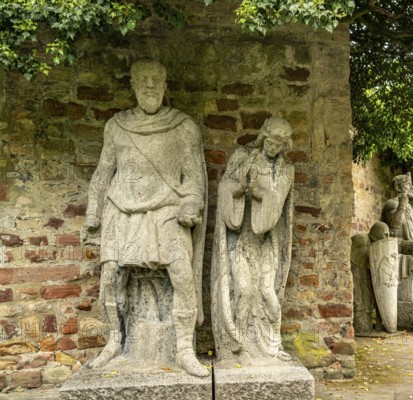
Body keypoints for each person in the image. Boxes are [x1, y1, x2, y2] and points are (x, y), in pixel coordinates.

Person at [82, 59, 209, 376]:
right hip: (121, 209)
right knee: (110, 277)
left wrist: (191, 203)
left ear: (165, 86)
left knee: (182, 274)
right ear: (134, 86)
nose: (150, 85)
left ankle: (184, 348)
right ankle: (114, 341)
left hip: (167, 209)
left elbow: (194, 179)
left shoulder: (183, 127)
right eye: (143, 80)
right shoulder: (116, 126)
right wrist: (92, 213)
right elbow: (102, 173)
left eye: (156, 80)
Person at [211, 117, 294, 365]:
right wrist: (239, 188)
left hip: (266, 242)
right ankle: (237, 347)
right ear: (262, 137)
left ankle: (272, 344)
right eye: (270, 141)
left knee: (268, 293)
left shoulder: (286, 169)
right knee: (244, 291)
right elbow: (225, 188)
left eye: (279, 144)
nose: (273, 147)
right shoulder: (242, 156)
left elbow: (276, 202)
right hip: (241, 240)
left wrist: (258, 192)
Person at [351, 222, 389, 333]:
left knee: (367, 301)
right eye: (385, 234)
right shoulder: (362, 241)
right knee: (361, 302)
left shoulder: (374, 243)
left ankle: (367, 325)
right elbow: (363, 262)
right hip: (356, 274)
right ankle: (361, 327)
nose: (387, 238)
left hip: (364, 275)